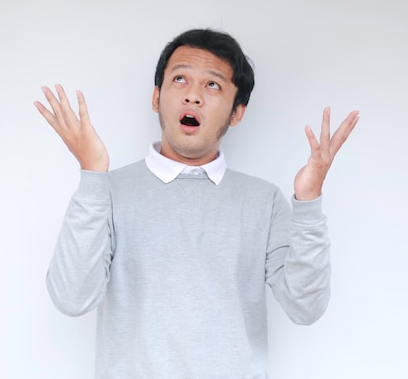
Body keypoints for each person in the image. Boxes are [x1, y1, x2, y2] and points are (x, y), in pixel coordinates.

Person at [34, 28, 359, 379]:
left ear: (237, 112)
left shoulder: (264, 202)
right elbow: (72, 299)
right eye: (180, 79)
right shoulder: (109, 191)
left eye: (212, 85)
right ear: (157, 98)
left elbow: (305, 308)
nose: (193, 96)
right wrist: (93, 175)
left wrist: (308, 203)